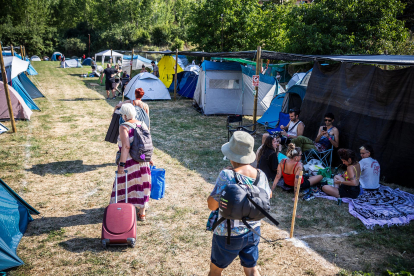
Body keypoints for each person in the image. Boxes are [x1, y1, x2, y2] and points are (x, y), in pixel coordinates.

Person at [207, 131, 271, 276]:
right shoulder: (261, 175)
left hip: (227, 233)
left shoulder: (227, 175)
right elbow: (268, 195)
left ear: (230, 155)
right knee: (251, 269)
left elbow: (212, 205)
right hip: (253, 231)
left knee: (215, 270)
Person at [110, 103, 151, 221]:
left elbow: (126, 147)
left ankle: (123, 209)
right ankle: (142, 213)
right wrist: (149, 158)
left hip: (130, 161)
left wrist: (121, 165)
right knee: (142, 185)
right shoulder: (142, 124)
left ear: (124, 115)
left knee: (125, 185)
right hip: (143, 161)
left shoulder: (124, 127)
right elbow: (147, 143)